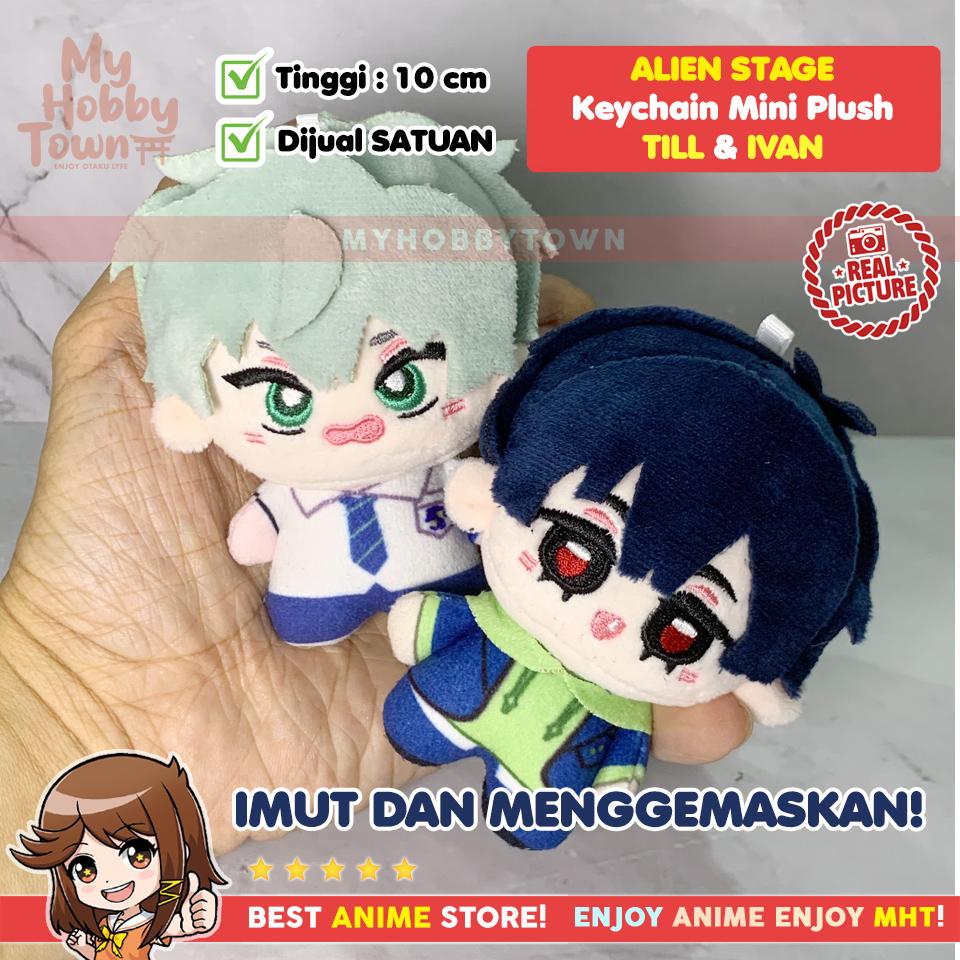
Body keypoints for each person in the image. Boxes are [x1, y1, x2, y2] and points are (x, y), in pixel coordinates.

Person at [0, 201, 752, 913]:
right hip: (327, 601)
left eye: (401, 378)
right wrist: (65, 705)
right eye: (287, 400)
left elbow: (471, 523)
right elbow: (266, 524)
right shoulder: (292, 483)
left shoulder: (466, 503)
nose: (350, 424)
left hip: (465, 593)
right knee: (431, 680)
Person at [384, 306, 878, 848]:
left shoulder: (628, 711)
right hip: (451, 694)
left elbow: (620, 774)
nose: (608, 622)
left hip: (553, 764)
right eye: (576, 556)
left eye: (681, 633)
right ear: (492, 494)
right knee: (413, 725)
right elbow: (423, 623)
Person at [11, 753, 225, 958]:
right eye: (85, 869)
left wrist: (192, 922)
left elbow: (176, 926)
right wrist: (83, 947)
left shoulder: (147, 923)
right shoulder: (106, 924)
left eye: (137, 855)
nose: (110, 878)